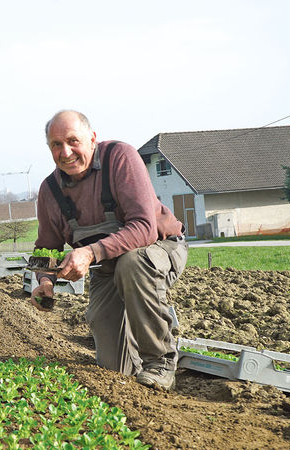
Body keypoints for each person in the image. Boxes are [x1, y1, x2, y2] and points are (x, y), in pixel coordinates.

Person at [31, 110, 188, 390]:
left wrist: (89, 253)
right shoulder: (50, 190)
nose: (65, 152)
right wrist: (45, 281)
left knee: (132, 263)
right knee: (113, 367)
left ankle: (160, 361)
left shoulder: (120, 158)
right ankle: (135, 374)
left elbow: (144, 228)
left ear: (92, 139)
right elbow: (46, 246)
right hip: (107, 267)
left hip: (158, 249)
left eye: (72, 141)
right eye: (56, 144)